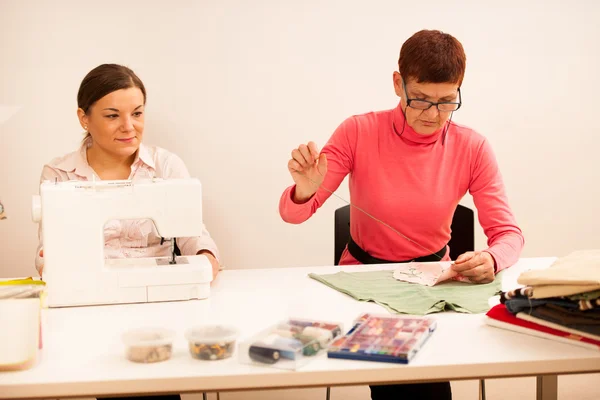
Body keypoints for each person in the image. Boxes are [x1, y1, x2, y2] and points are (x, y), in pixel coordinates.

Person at [278, 30, 525, 399]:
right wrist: (305, 189)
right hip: (362, 282)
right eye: (421, 99)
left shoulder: (472, 146)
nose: (433, 114)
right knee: (401, 381)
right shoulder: (357, 131)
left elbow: (509, 234)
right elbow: (293, 215)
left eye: (446, 101)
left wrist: (492, 257)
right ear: (398, 84)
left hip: (433, 284)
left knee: (427, 377)